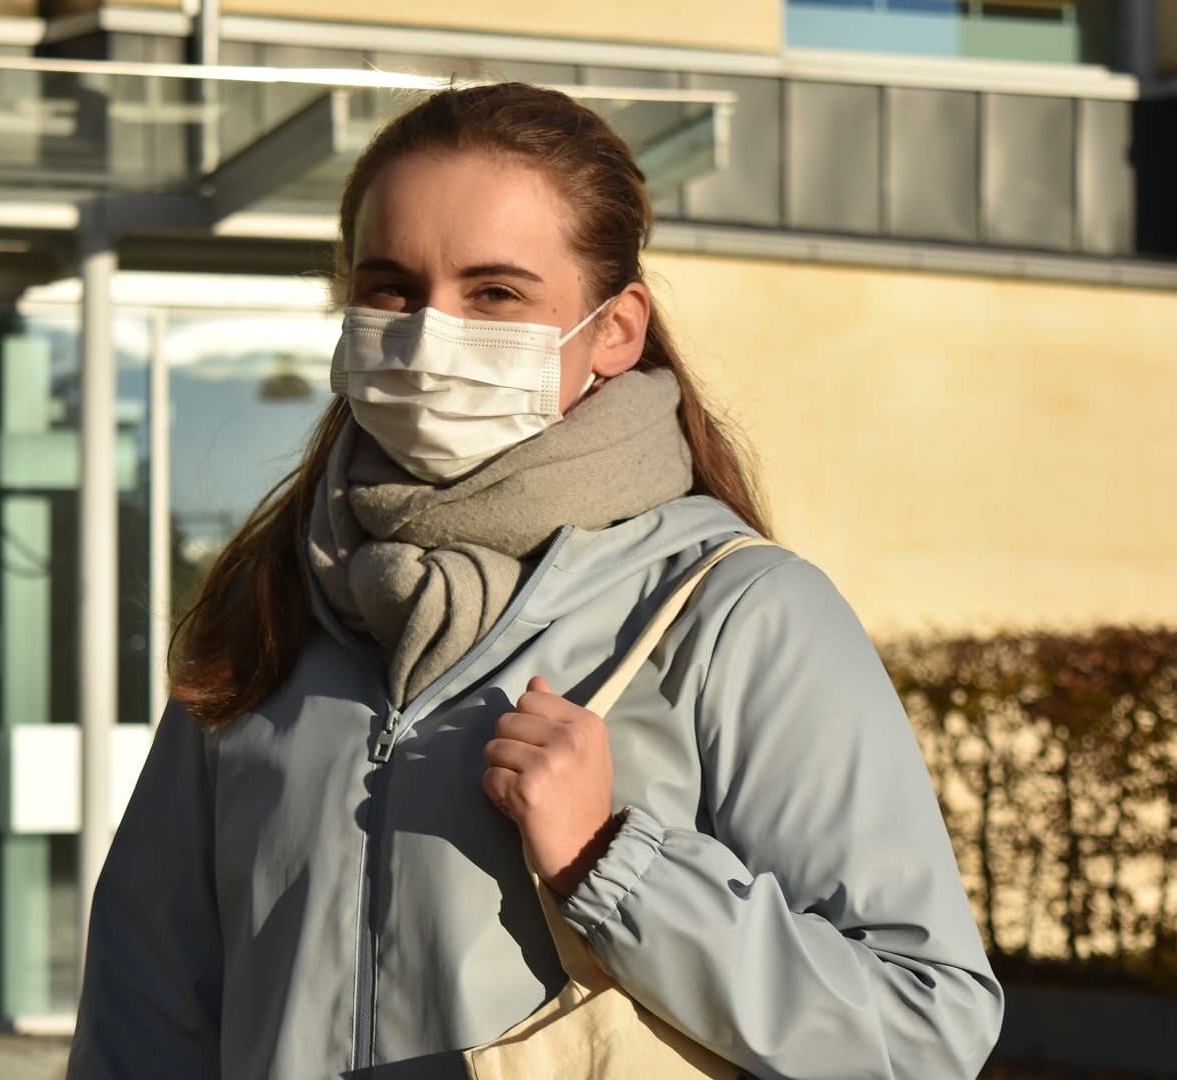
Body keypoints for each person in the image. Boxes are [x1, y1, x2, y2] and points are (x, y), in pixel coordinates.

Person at [66, 83, 1003, 1080]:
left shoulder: (738, 613)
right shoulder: (270, 606)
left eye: (495, 294)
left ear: (616, 330)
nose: (430, 335)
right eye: (391, 288)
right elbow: (145, 1017)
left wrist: (614, 866)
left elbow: (925, 1026)